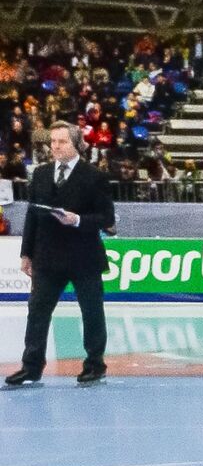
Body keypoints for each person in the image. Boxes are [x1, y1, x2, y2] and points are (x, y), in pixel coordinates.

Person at [5, 121, 114, 386]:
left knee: (91, 311)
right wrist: (26, 253)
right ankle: (31, 366)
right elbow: (32, 215)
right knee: (37, 311)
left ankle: (94, 364)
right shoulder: (41, 174)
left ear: (76, 144)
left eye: (62, 141)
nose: (55, 146)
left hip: (84, 256)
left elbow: (107, 218)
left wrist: (77, 220)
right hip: (47, 256)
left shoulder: (94, 176)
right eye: (52, 141)